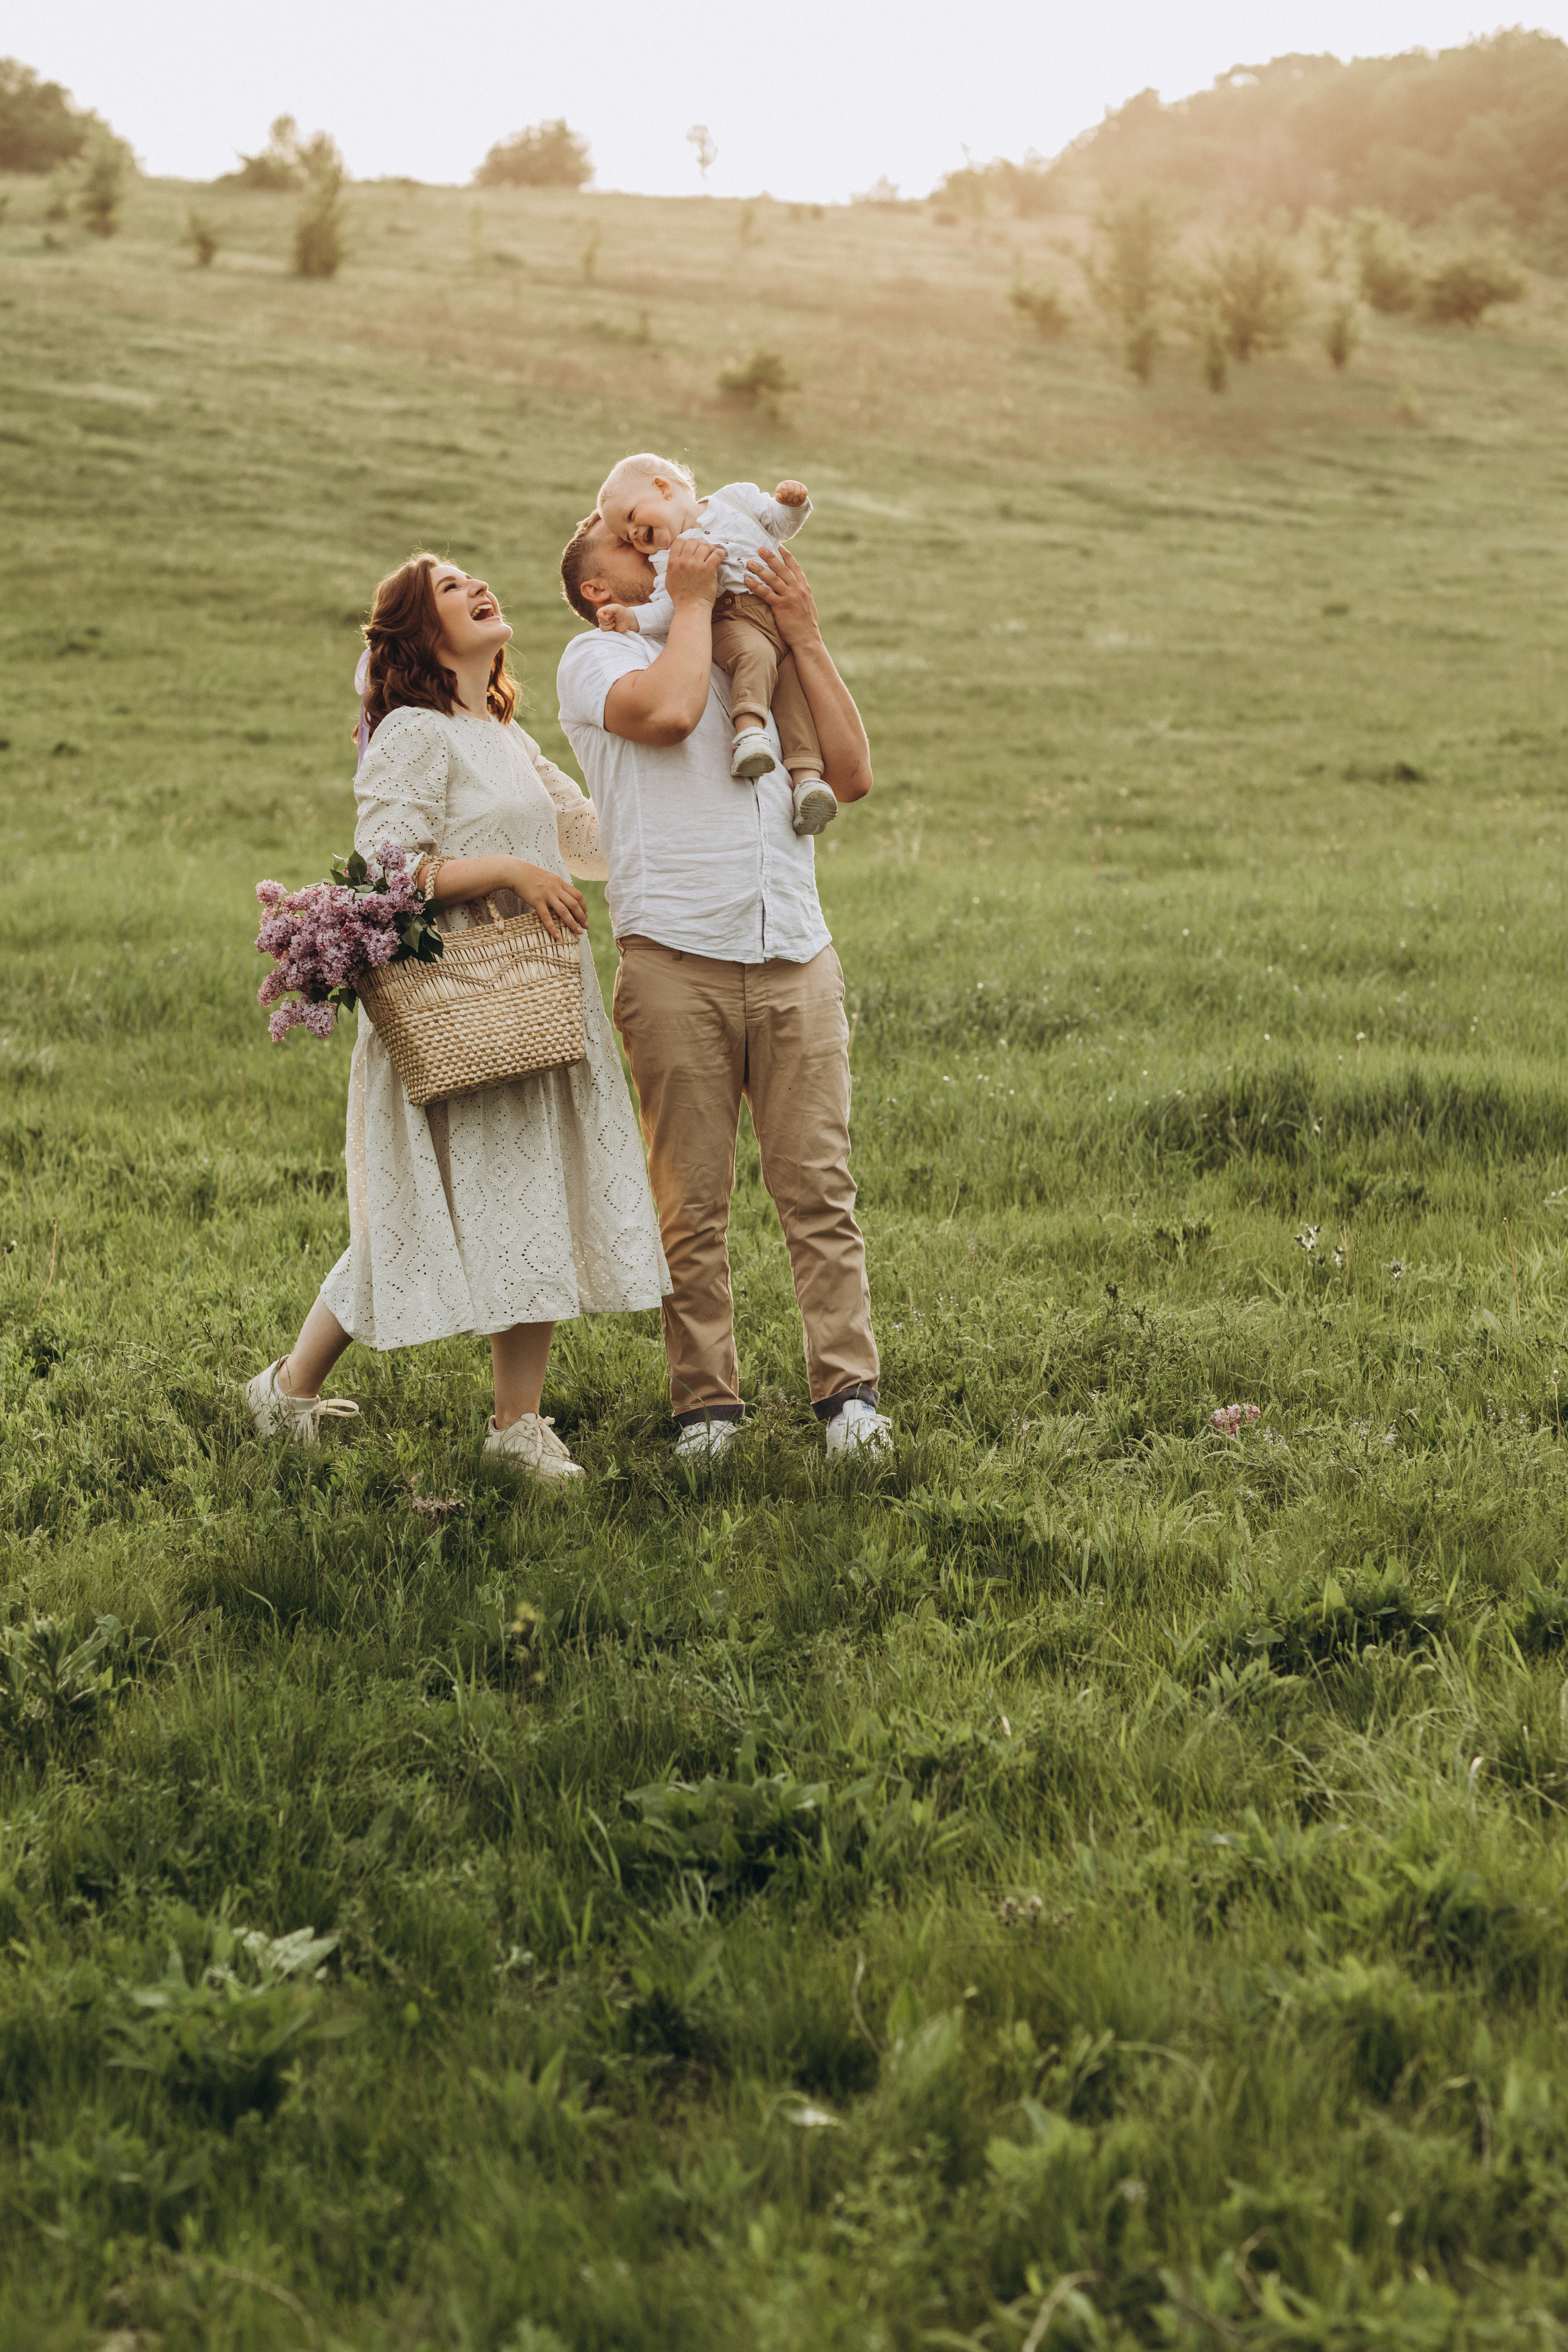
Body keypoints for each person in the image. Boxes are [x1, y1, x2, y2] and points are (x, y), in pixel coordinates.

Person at [245, 552, 668, 1482]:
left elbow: (590, 838)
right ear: (418, 631)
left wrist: (670, 762)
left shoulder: (502, 732)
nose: (477, 586)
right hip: (460, 1002)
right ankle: (285, 1391)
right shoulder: (413, 732)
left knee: (533, 1199)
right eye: (449, 587)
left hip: (538, 997)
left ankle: (515, 1428)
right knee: (424, 1209)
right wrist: (512, 873)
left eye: (476, 575)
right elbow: (383, 871)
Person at [556, 514, 890, 1463]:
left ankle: (851, 1400)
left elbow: (852, 775)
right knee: (690, 1205)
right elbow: (666, 717)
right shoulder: (596, 659)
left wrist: (805, 633)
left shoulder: (752, 640)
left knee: (820, 1190)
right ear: (597, 587)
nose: (661, 540)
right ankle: (708, 1410)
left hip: (795, 952)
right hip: (673, 966)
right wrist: (694, 600)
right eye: (631, 541)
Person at [592, 453, 837, 839]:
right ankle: (750, 734)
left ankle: (808, 784)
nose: (635, 535)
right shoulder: (665, 560)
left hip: (778, 618)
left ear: (663, 487)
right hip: (729, 617)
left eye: (632, 518)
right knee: (752, 656)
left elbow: (779, 524)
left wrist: (794, 504)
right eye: (626, 538)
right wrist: (633, 619)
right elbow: (669, 606)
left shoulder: (735, 499)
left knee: (795, 694)